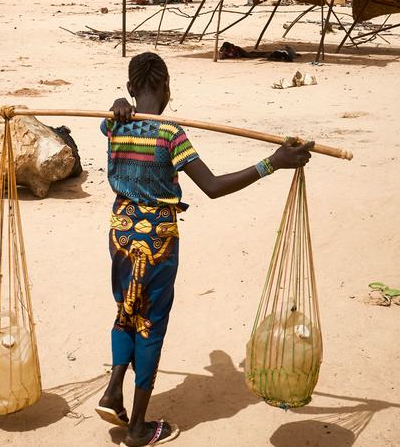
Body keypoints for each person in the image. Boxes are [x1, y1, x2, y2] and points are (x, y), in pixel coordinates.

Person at [94, 52, 313, 445]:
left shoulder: (115, 125)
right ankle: (138, 427)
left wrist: (117, 107)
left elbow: (108, 117)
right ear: (166, 88)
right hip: (158, 240)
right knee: (151, 323)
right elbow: (211, 187)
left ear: (129, 89)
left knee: (126, 307)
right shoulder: (169, 134)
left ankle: (113, 389)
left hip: (121, 234)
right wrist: (273, 163)